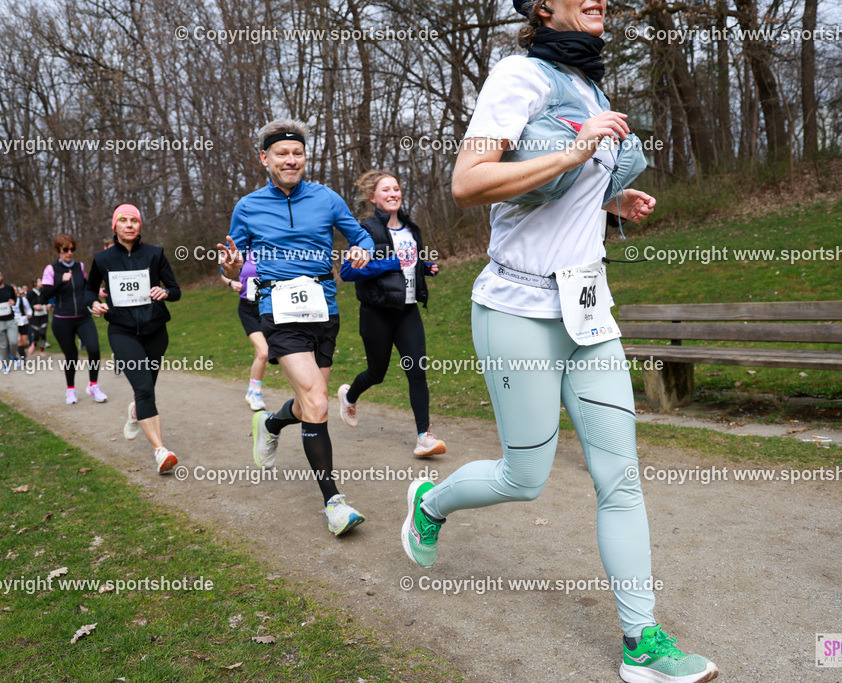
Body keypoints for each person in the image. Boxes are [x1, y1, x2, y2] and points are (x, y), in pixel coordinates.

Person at [399, 2, 718, 682]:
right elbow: (469, 182)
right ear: (544, 4)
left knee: (621, 477)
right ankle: (430, 504)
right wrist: (576, 151)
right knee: (526, 477)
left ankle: (642, 642)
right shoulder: (520, 74)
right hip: (518, 308)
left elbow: (554, 188)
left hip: (588, 308)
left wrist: (609, 199)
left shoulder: (592, 84)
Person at [218, 118, 375, 537]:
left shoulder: (326, 198)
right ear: (264, 159)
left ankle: (269, 423)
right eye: (282, 154)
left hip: (324, 309)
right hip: (279, 311)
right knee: (318, 403)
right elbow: (230, 256)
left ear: (306, 157)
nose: (291, 160)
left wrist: (361, 251)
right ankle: (334, 503)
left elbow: (362, 237)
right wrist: (229, 265)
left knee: (311, 403)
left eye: (297, 153)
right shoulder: (248, 206)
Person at [338, 170, 446, 457]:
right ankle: (349, 395)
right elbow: (348, 272)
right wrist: (389, 263)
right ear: (373, 198)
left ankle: (424, 436)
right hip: (376, 313)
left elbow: (409, 262)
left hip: (407, 311)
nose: (393, 194)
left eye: (396, 188)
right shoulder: (366, 231)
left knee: (417, 371)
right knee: (377, 373)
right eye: (385, 190)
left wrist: (424, 268)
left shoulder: (411, 229)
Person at [87, 204, 181, 474]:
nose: (129, 225)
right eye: (123, 220)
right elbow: (88, 290)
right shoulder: (103, 259)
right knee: (144, 389)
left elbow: (175, 290)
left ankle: (136, 411)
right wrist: (93, 303)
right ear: (114, 226)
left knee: (146, 389)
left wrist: (165, 293)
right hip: (122, 331)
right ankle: (160, 451)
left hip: (155, 331)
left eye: (134, 221)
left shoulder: (155, 254)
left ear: (140, 226)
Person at [40, 235, 106, 404]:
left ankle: (93, 385)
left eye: (72, 249)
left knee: (93, 349)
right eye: (65, 249)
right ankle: (70, 390)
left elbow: (86, 287)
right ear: (58, 250)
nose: (69, 253)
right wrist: (61, 282)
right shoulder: (51, 269)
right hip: (62, 320)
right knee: (71, 356)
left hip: (83, 318)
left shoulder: (80, 266)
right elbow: (43, 297)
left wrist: (98, 292)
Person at [220, 256, 269, 411]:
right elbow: (223, 272)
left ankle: (252, 387)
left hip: (269, 306)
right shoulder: (242, 248)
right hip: (249, 309)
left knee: (259, 353)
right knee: (264, 352)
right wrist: (231, 282)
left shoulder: (271, 246)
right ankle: (255, 391)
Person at [27, 278, 49, 357]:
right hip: (34, 317)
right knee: (36, 333)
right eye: (39, 281)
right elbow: (26, 304)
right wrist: (33, 306)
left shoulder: (45, 291)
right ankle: (34, 343)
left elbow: (50, 301)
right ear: (35, 283)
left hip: (44, 315)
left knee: (43, 333)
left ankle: (41, 351)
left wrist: (49, 305)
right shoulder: (30, 293)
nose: (41, 282)